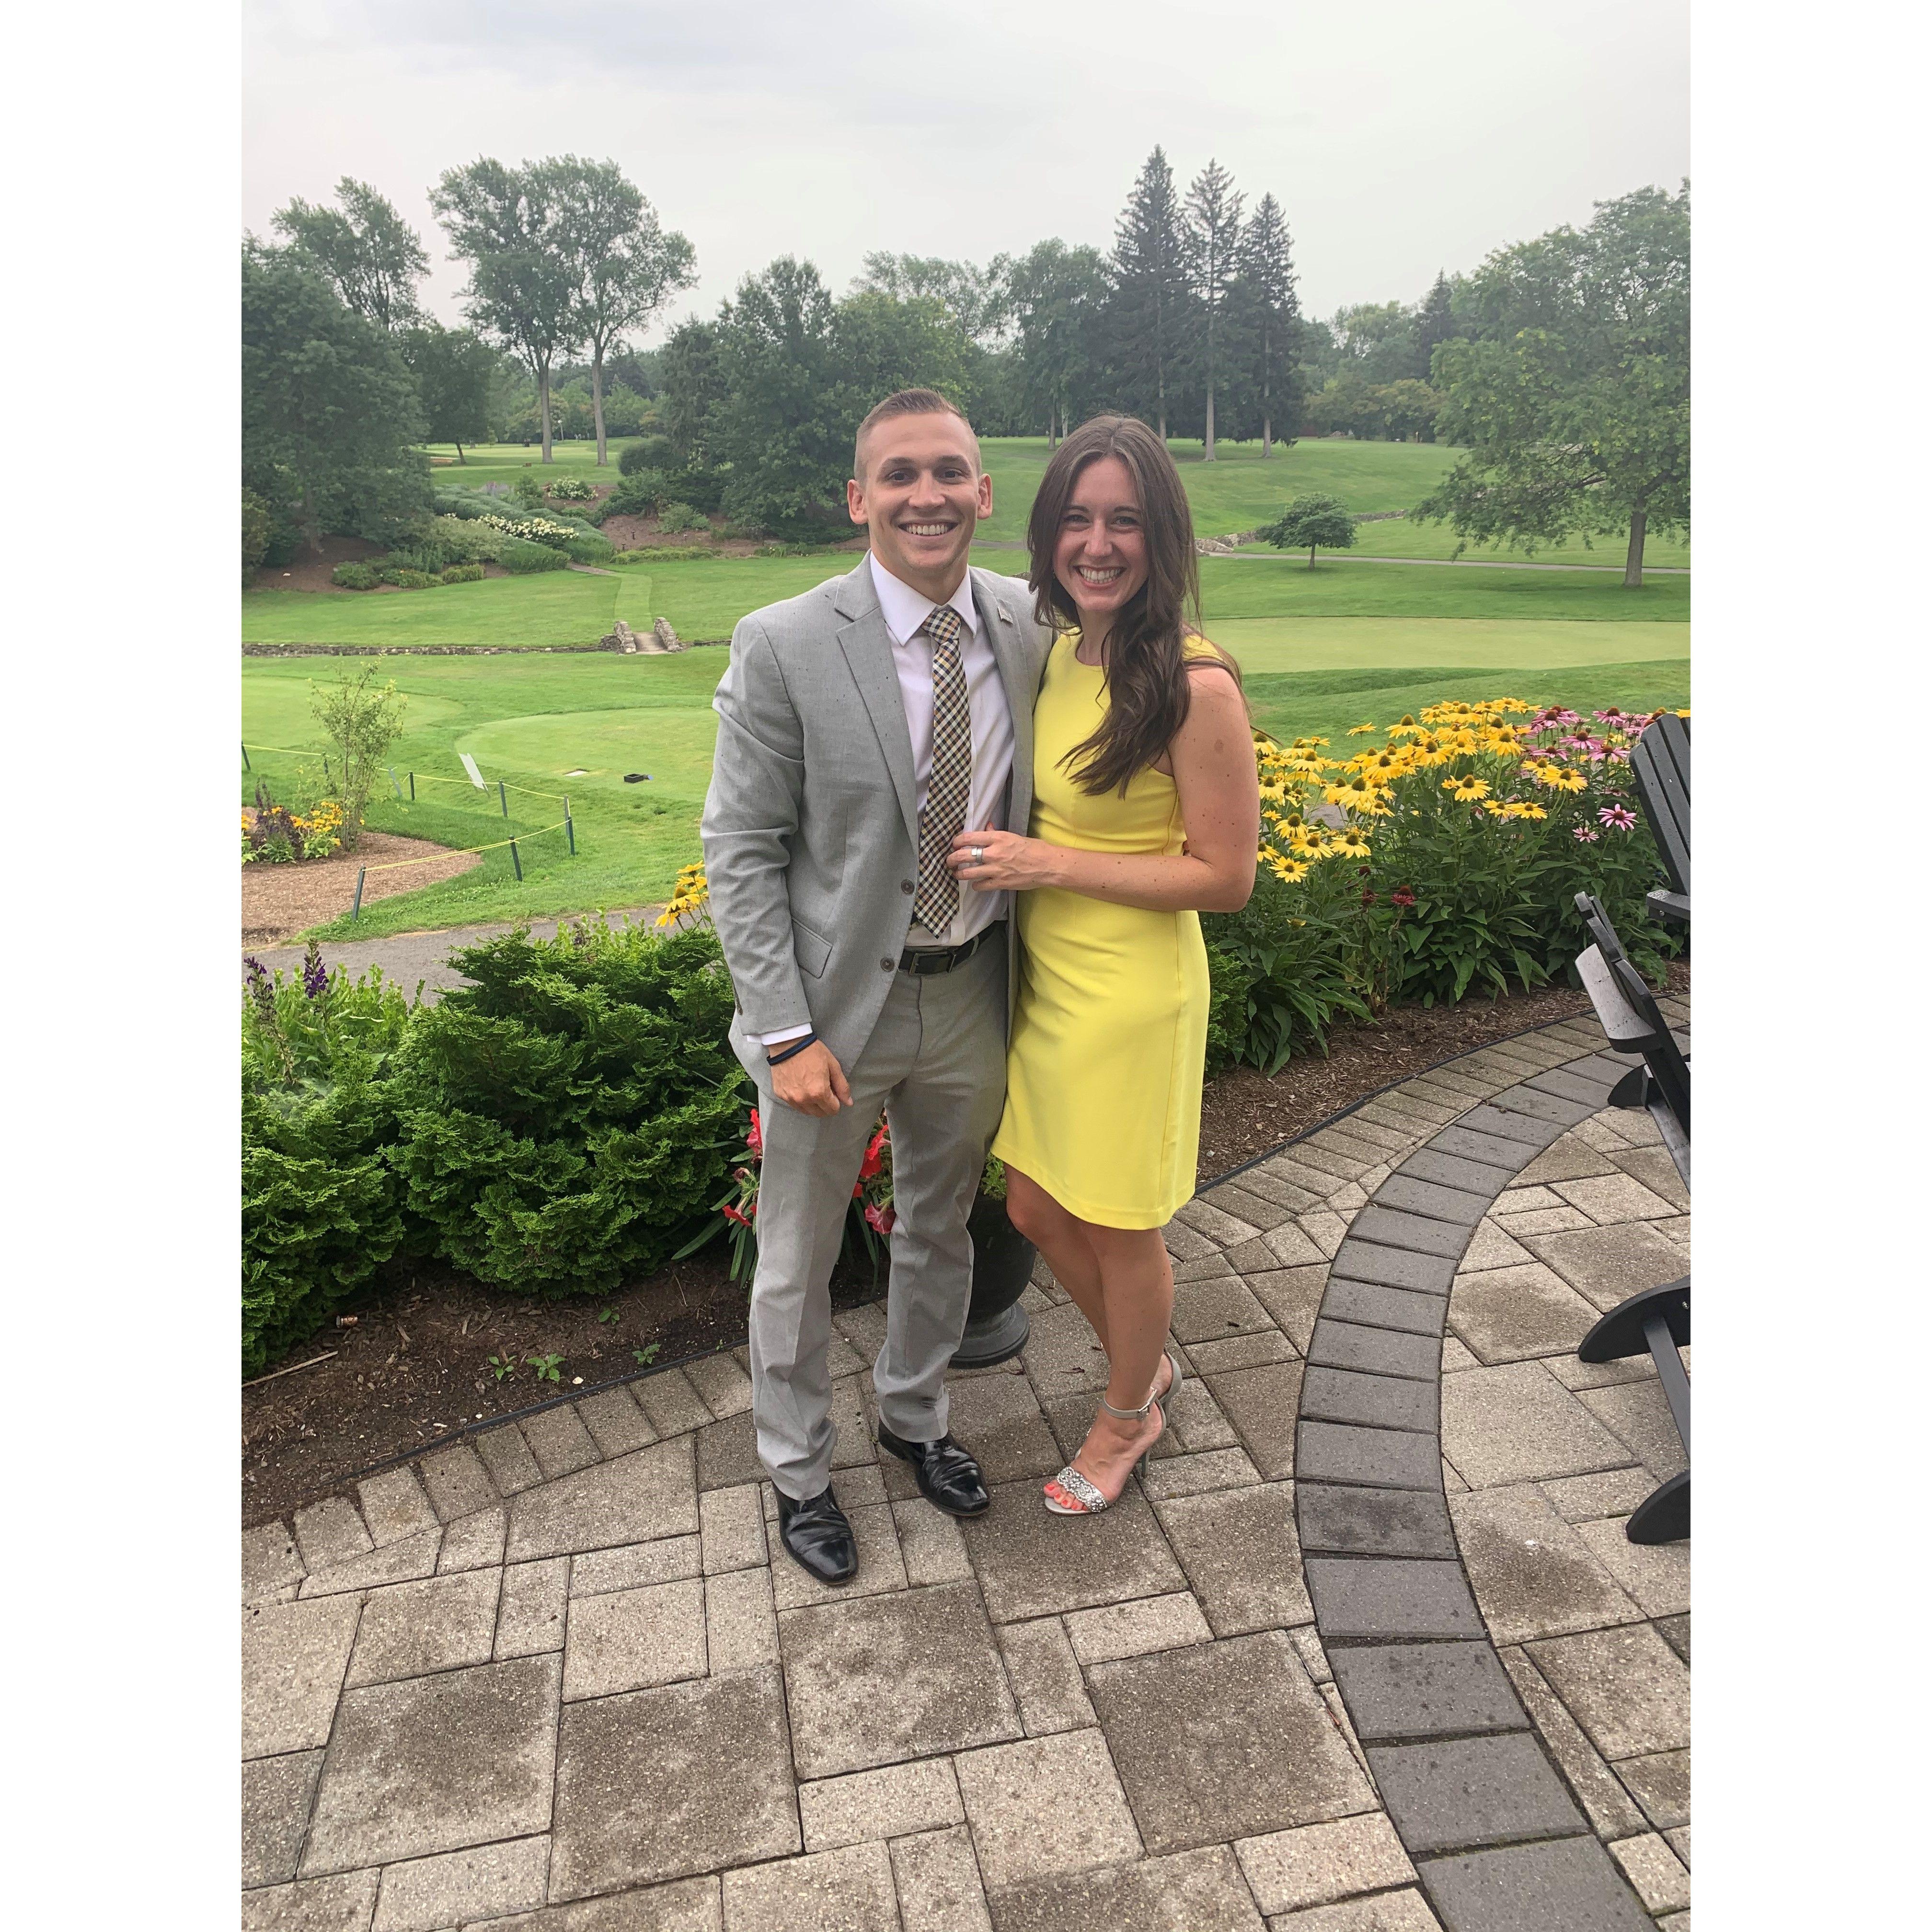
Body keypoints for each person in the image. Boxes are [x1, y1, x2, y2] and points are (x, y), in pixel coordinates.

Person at [702, 389, 1053, 1584]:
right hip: (830, 1014)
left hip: (975, 990)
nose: (927, 495)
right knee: (798, 1259)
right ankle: (799, 1472)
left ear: (984, 491)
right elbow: (740, 848)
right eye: (899, 475)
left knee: (941, 1227)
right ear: (860, 498)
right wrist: (783, 1031)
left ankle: (915, 1418)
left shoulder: (1030, 623)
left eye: (949, 471)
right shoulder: (784, 642)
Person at [948, 415, 1259, 1516]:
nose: (1097, 543)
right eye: (1076, 519)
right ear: (1046, 535)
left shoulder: (1195, 684)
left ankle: (1128, 1414)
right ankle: (1147, 1363)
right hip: (1049, 981)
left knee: (1123, 1226)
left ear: (1162, 535)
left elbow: (1226, 877)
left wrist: (1046, 862)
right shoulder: (1057, 654)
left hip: (1132, 995)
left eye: (1125, 520)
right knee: (1037, 1208)